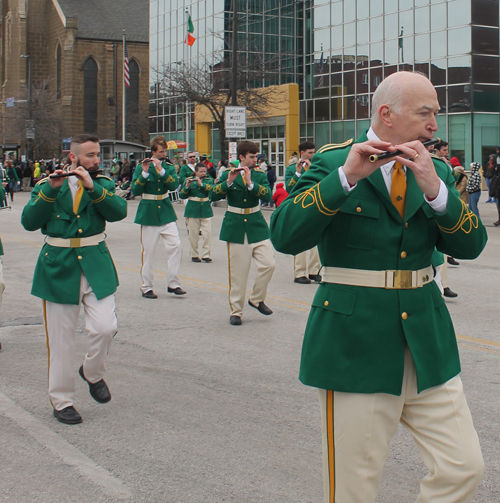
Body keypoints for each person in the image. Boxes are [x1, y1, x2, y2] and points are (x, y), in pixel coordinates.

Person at [270, 71, 487, 503]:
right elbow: (285, 235)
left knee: (464, 468)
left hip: (427, 341)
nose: (434, 126)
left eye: (436, 114)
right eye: (425, 113)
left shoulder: (437, 168)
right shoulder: (334, 161)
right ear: (386, 114)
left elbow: (472, 244)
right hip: (356, 344)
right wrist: (345, 179)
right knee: (355, 488)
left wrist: (437, 192)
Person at [21, 134, 127, 425]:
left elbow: (119, 212)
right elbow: (29, 222)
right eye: (91, 155)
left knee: (106, 327)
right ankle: (62, 400)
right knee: (61, 341)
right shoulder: (47, 185)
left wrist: (93, 189)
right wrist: (51, 192)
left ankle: (91, 372)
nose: (96, 160)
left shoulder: (102, 184)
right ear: (72, 158)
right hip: (59, 268)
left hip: (95, 264)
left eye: (98, 156)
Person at [210, 141, 275, 326]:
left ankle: (256, 299)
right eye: (251, 157)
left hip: (256, 224)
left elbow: (268, 195)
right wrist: (229, 182)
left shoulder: (259, 175)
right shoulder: (226, 173)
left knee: (268, 264)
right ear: (241, 157)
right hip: (236, 225)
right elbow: (213, 195)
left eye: (256, 157)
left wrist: (250, 183)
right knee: (239, 273)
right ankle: (236, 311)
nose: (255, 160)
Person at [131, 135, 186, 299]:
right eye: (161, 151)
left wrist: (161, 171)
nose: (164, 154)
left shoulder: (168, 167)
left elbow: (174, 185)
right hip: (148, 212)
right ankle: (147, 286)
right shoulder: (142, 167)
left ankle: (173, 283)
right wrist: (145, 173)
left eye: (165, 151)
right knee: (148, 252)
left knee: (176, 246)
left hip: (166, 211)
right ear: (153, 152)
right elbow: (134, 190)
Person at [285, 141, 321, 284]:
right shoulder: (291, 169)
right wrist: (298, 173)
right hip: (299, 206)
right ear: (302, 153)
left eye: (313, 152)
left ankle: (314, 271)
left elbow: (320, 183)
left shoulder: (316, 167)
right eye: (310, 152)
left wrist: (312, 170)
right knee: (300, 238)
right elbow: (289, 188)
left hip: (315, 206)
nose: (313, 155)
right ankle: (299, 272)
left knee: (316, 240)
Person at [179, 163, 213, 263]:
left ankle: (206, 254)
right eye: (201, 171)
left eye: (204, 171)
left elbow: (212, 191)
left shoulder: (209, 181)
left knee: (208, 233)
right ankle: (194, 254)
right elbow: (182, 196)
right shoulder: (189, 180)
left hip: (205, 208)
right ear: (196, 172)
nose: (203, 173)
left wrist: (201, 184)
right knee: (193, 234)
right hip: (193, 208)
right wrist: (187, 187)